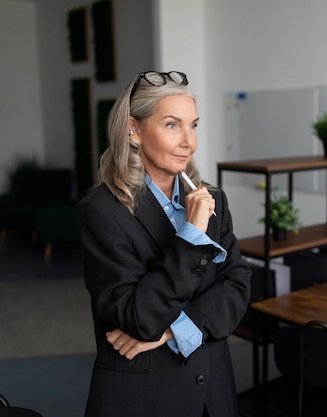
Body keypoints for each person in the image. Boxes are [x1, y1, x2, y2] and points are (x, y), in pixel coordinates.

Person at [75, 71, 252, 417]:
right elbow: (138, 319)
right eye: (172, 125)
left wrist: (174, 329)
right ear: (134, 129)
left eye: (194, 126)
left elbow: (238, 286)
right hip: (146, 398)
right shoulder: (101, 212)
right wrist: (193, 235)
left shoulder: (212, 199)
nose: (189, 141)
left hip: (213, 394)